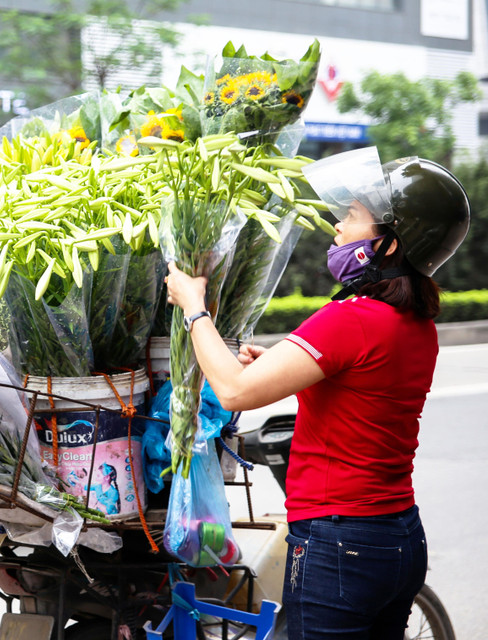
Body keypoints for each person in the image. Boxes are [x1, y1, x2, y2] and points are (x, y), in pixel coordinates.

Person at [163, 147, 469, 640]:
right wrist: (284, 368)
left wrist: (194, 308)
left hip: (339, 545)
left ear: (386, 245)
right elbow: (362, 396)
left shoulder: (350, 320)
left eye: (351, 217)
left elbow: (234, 390)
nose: (338, 228)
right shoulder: (416, 324)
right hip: (399, 539)